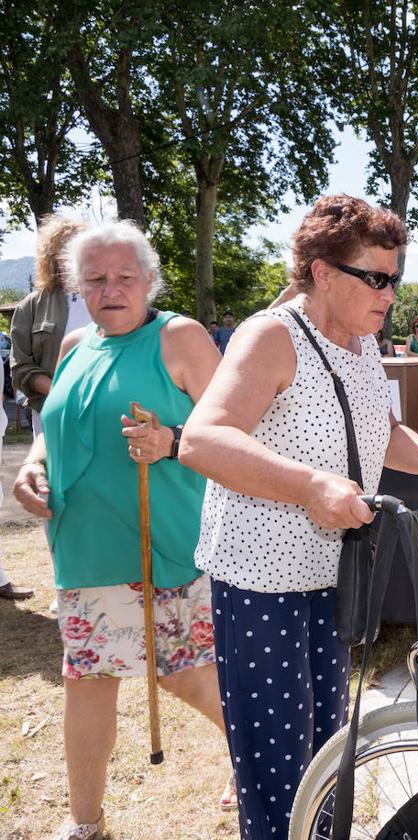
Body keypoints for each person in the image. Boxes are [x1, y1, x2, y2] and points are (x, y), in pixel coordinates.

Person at [180, 194, 418, 838]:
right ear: (323, 272)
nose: (389, 294)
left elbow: (379, 432)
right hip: (259, 582)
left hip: (329, 576)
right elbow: (202, 440)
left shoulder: (360, 346)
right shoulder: (271, 335)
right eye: (376, 278)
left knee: (326, 754)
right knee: (276, 765)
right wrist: (308, 487)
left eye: (395, 278)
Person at [9, 220, 231, 840]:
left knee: (182, 671)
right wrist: (31, 468)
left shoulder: (180, 338)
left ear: (149, 281)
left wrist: (169, 442)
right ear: (79, 286)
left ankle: (264, 764)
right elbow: (52, 434)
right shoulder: (76, 344)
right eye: (97, 278)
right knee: (86, 677)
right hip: (82, 545)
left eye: (125, 277)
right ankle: (85, 823)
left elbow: (234, 436)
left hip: (162, 540)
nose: (111, 289)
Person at [9, 215, 88, 437]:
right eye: (66, 248)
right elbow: (21, 368)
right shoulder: (31, 306)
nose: (73, 254)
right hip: (52, 414)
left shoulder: (107, 299)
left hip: (104, 410)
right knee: (51, 470)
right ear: (52, 256)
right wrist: (62, 393)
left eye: (80, 246)